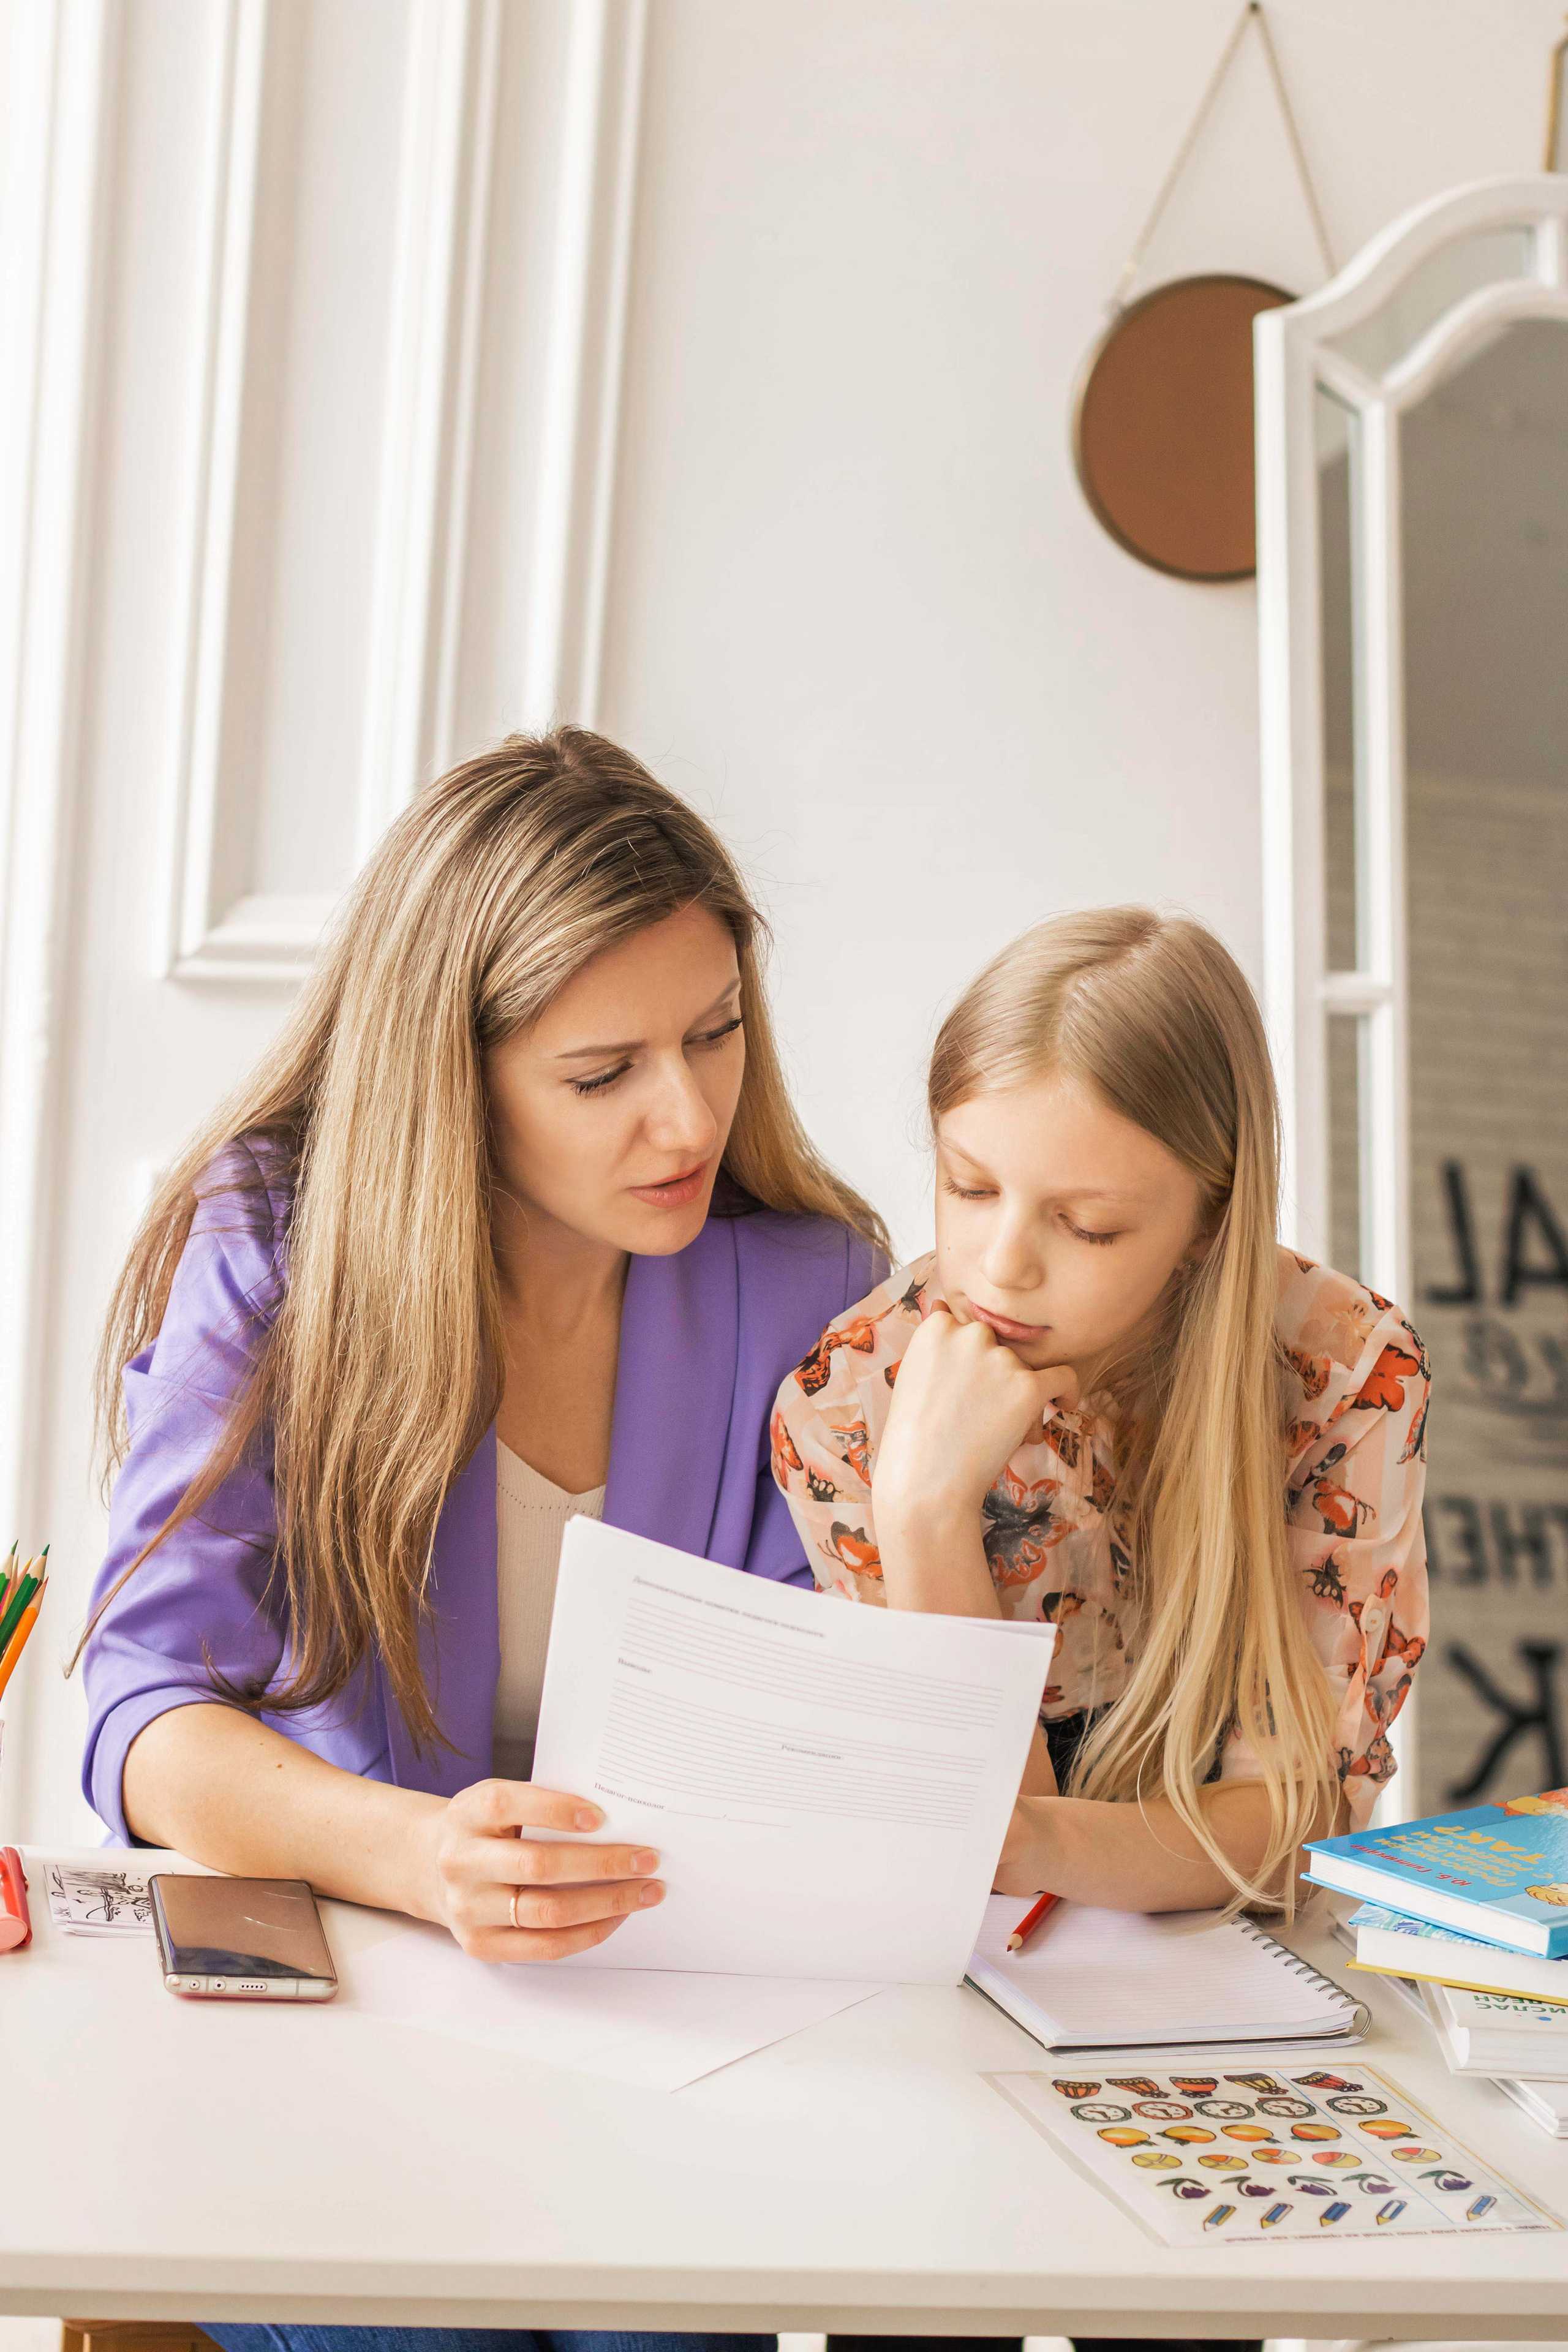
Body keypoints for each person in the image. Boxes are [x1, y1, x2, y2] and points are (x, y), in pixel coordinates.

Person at [80, 726, 888, 2352]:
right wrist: (418, 1859)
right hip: (348, 2009)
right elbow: (144, 1715)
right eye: (605, 1074)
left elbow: (838, 1725)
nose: (688, 1118)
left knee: (660, 2332)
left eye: (717, 1035)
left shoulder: (804, 1283)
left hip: (666, 2031)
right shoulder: (273, 1259)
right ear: (454, 1073)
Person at [772, 905, 1430, 1921]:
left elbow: (1296, 1828)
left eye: (1086, 1225)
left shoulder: (1342, 1372)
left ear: (1211, 1218)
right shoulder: (851, 1395)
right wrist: (922, 1511)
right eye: (970, 1187)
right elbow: (976, 1870)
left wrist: (1037, 1837)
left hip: (1235, 1976)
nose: (1002, 1266)